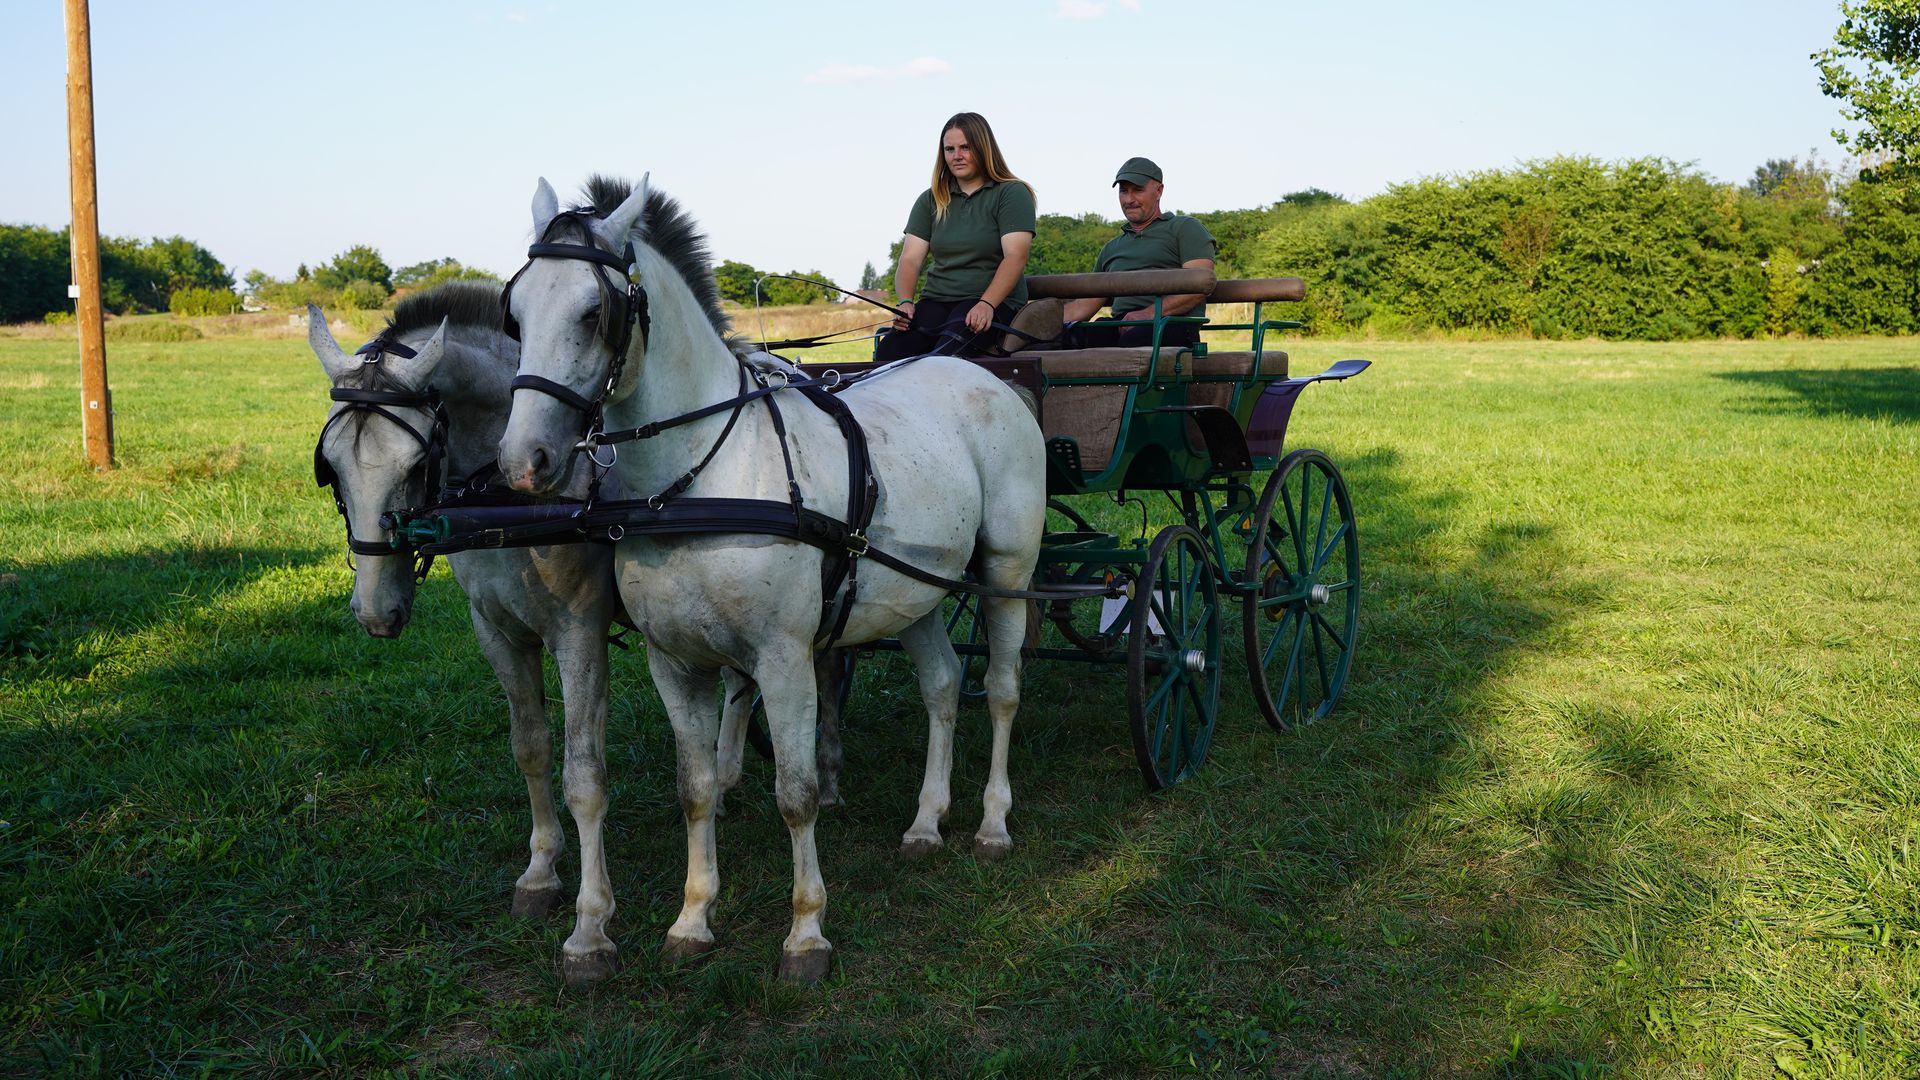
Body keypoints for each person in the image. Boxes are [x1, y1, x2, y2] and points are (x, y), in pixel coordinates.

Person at [875, 113, 1036, 361]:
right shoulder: (931, 199)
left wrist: (987, 305)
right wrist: (906, 302)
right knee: (889, 353)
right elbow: (910, 259)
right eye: (949, 149)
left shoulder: (1011, 193)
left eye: (965, 148)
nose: (956, 156)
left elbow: (1015, 256)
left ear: (984, 149)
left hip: (989, 300)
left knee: (945, 355)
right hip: (937, 299)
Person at [1059, 157, 1216, 349]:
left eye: (1137, 190)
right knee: (1076, 337)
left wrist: (1148, 314)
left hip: (1171, 324)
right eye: (1123, 191)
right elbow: (1082, 307)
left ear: (1159, 191)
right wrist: (1037, 323)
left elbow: (1199, 284)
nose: (1129, 200)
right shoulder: (1111, 248)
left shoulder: (1185, 228)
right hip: (1121, 325)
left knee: (1135, 339)